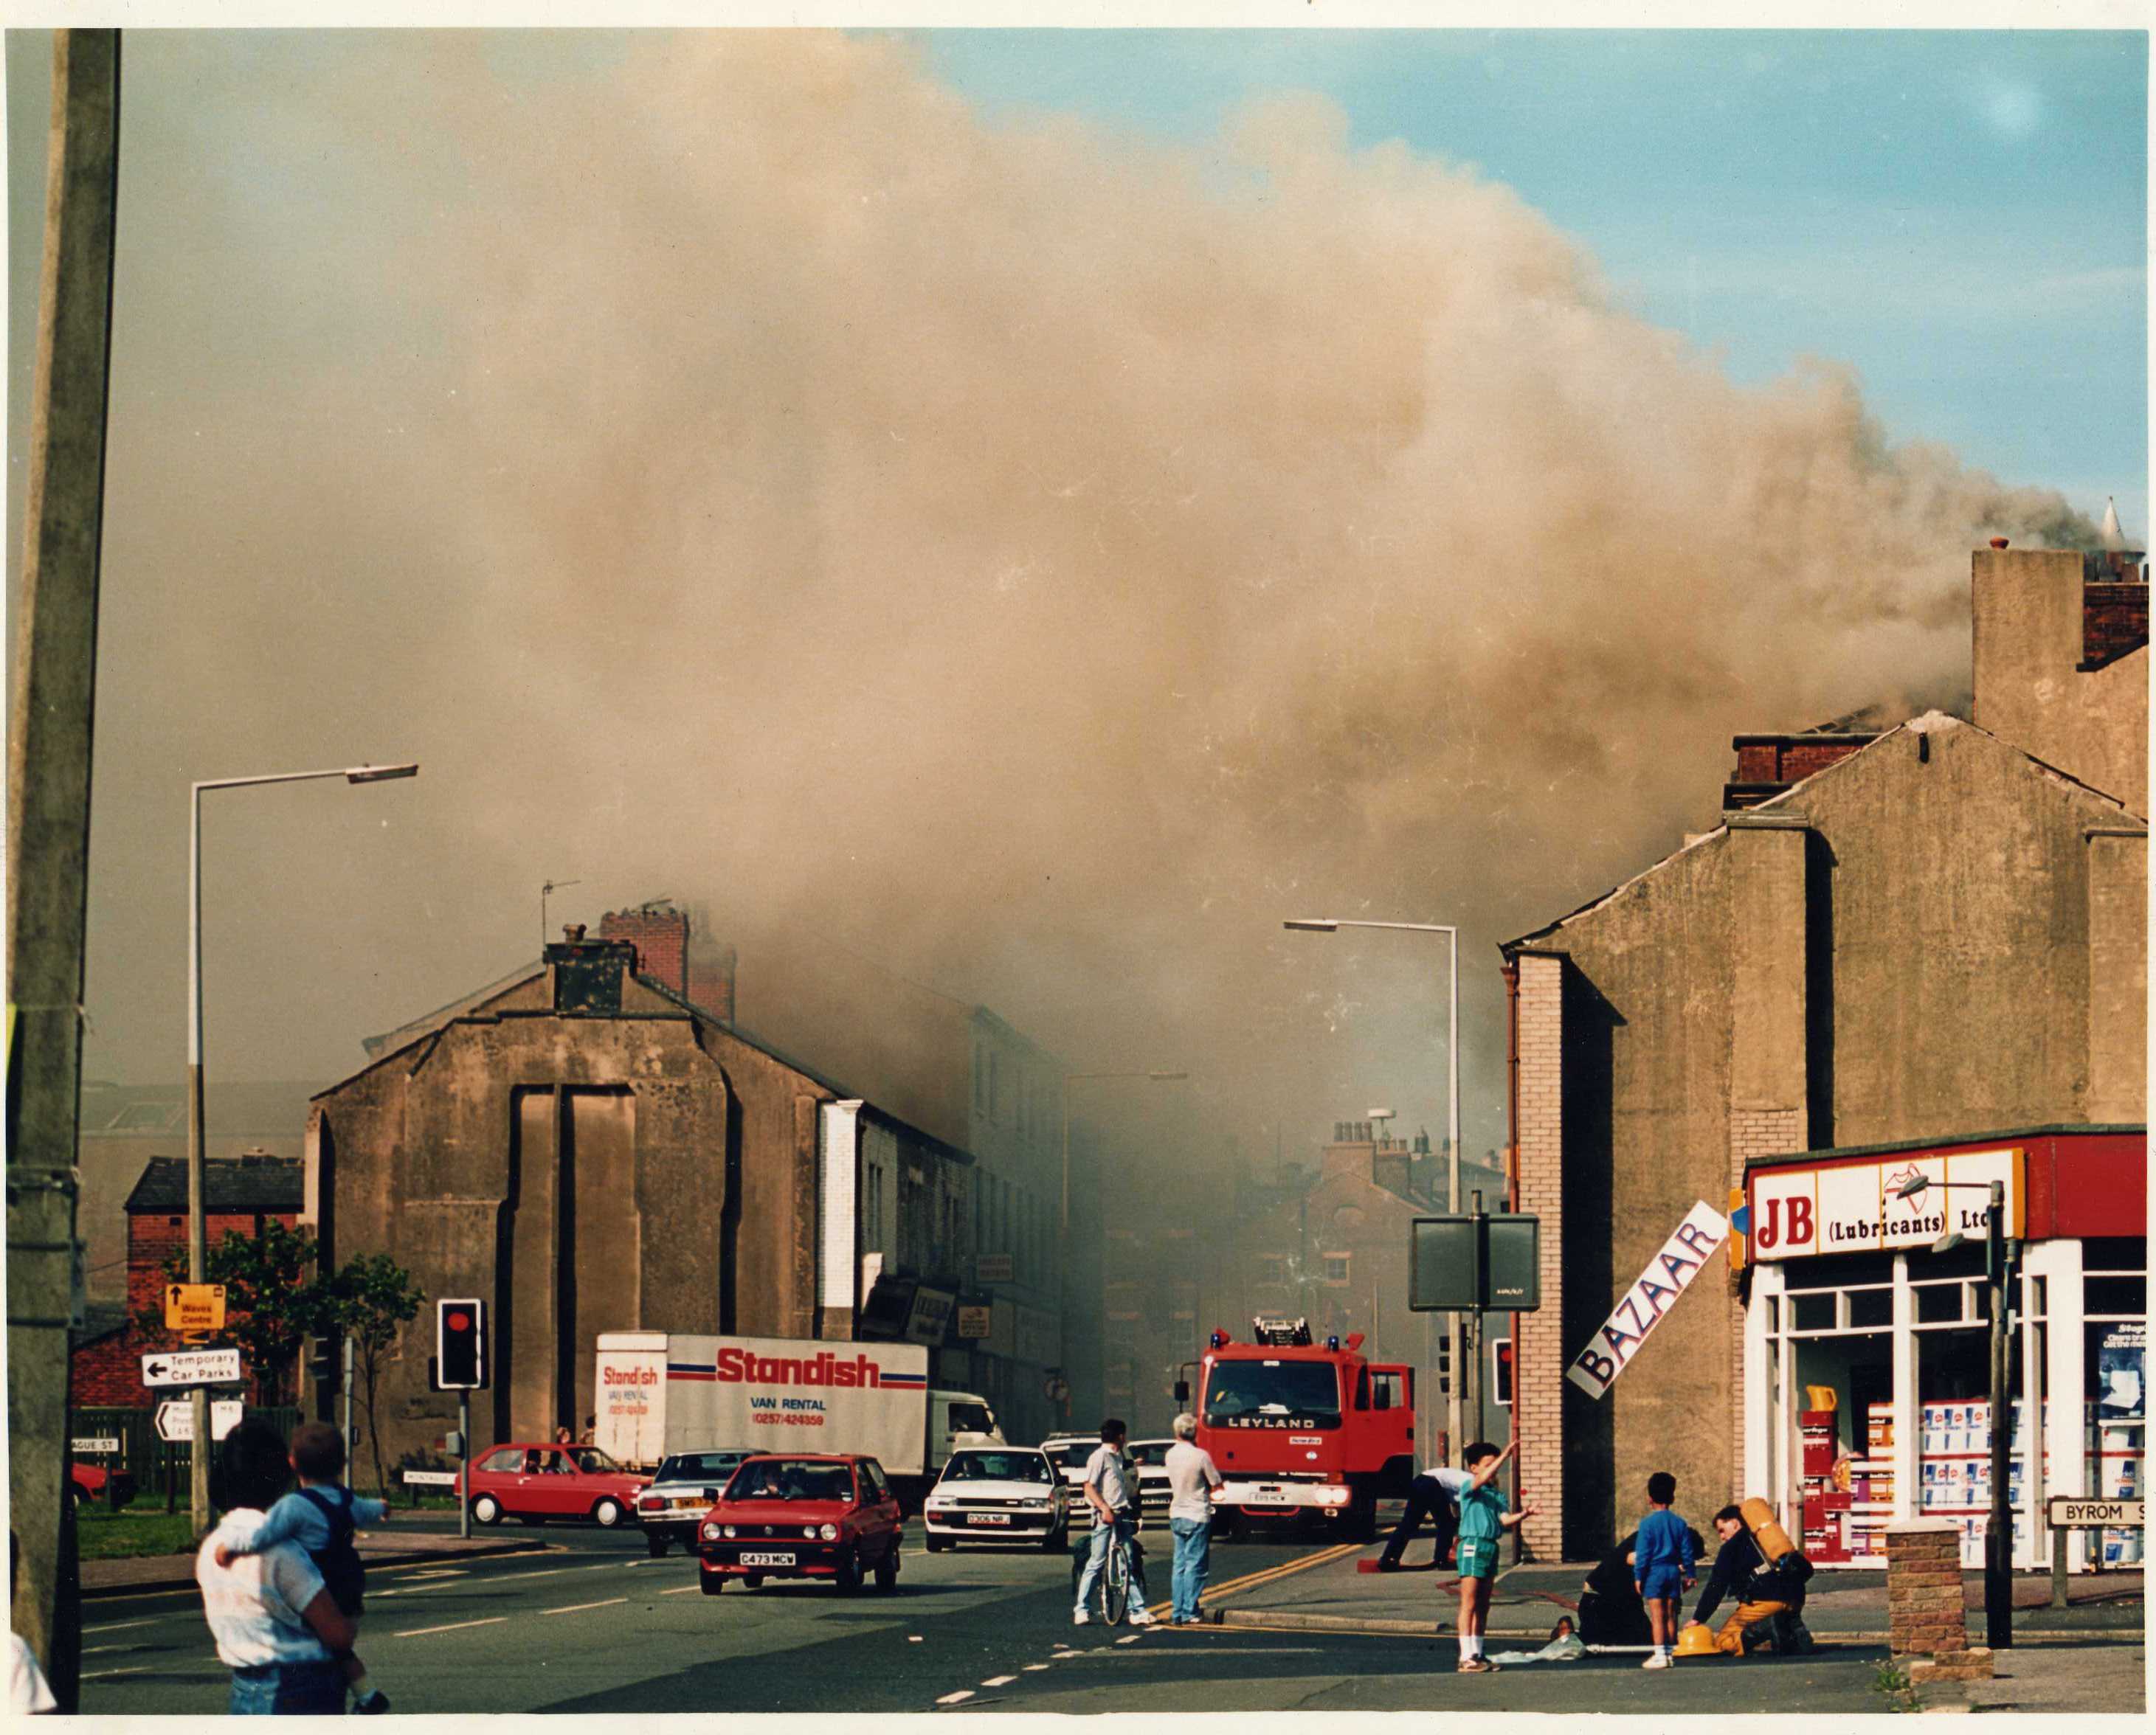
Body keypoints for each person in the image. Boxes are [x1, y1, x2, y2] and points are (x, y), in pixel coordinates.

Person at [215, 1421, 391, 1713]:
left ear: (292, 1462)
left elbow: (264, 1535)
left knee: (324, 1644)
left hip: (319, 1582)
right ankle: (367, 1694)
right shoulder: (348, 1499)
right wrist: (383, 1507)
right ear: (342, 1463)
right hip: (349, 1581)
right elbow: (368, 1510)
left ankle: (368, 1695)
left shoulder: (294, 1506)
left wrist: (232, 1547)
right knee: (340, 1647)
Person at [1435, 1440, 1533, 1675]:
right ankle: (1465, 1656)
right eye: (1488, 1464)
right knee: (1468, 1602)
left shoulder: (1496, 1495)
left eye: (1495, 1464)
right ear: (1474, 1467)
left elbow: (1504, 1520)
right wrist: (1505, 1455)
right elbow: (1480, 1479)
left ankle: (1477, 1652)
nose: (1494, 1469)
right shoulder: (1470, 1486)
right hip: (1472, 1544)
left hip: (1490, 1547)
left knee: (1483, 1604)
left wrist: (1524, 1514)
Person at [1688, 1504, 1813, 1657]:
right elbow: (1806, 1570)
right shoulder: (1764, 1538)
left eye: (1722, 1530)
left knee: (1723, 1642)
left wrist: (1698, 1618)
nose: (1722, 1537)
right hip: (1796, 1599)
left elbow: (1716, 1586)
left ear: (1734, 1522)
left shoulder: (1730, 1548)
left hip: (1766, 1602)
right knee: (1776, 1627)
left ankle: (1769, 1625)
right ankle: (1791, 1627)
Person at [1071, 1419, 1154, 1627]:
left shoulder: (1117, 1457)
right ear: (1121, 1436)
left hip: (1121, 1514)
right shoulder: (1099, 1457)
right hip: (1104, 1516)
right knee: (1097, 1563)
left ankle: (1137, 1611)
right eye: (1124, 1435)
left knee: (1126, 1563)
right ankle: (1082, 1610)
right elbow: (1088, 1487)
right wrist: (1104, 1508)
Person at [1575, 1523, 1708, 1647]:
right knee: (1597, 1647)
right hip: (1599, 1602)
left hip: (1628, 1602)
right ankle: (1566, 1634)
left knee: (1647, 1644)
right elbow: (1633, 1559)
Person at [1631, 1471, 1696, 1669]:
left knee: (1657, 1615)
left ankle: (1659, 1654)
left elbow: (1642, 1554)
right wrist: (1691, 1574)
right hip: (1673, 1572)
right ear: (1672, 1497)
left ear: (1650, 1499)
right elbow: (1687, 1551)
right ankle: (1669, 1652)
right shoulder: (1680, 1523)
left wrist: (1638, 1576)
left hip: (1655, 1573)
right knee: (1670, 1614)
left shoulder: (1647, 1524)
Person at [1162, 1412, 1222, 1626]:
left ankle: (1177, 1611)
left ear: (1176, 1431)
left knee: (1179, 1565)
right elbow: (1216, 1483)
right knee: (1196, 1566)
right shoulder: (1201, 1456)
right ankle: (1190, 1610)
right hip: (1197, 1513)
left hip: (1177, 1512)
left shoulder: (1170, 1455)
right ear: (1194, 1431)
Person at [1372, 1465, 1459, 1573]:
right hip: (1434, 1484)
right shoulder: (1477, 1484)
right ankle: (1441, 1560)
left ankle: (1387, 1559)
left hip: (1421, 1479)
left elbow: (1457, 1507)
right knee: (1446, 1524)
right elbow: (1461, 1510)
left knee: (1409, 1524)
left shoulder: (1471, 1479)